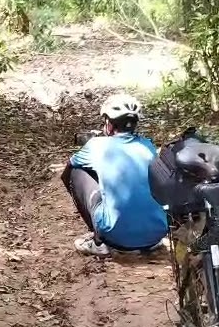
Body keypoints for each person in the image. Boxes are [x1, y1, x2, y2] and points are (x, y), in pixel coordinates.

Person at [61, 93, 168, 256]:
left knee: (76, 171)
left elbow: (67, 171)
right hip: (156, 235)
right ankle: (145, 234)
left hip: (116, 238)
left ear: (109, 124)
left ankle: (98, 241)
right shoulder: (148, 146)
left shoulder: (96, 145)